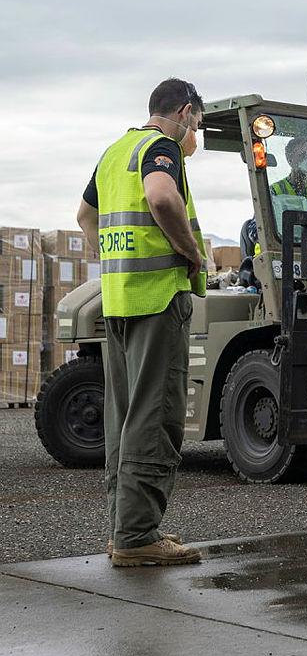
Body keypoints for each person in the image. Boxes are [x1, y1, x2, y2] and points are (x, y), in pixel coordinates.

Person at [77, 77, 209, 566]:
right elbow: (161, 198)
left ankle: (126, 529)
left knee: (124, 417)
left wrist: (114, 263)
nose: (195, 130)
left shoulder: (115, 152)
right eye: (196, 120)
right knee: (155, 416)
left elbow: (84, 216)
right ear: (185, 111)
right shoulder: (161, 147)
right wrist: (189, 252)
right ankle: (136, 538)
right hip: (157, 301)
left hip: (118, 301)